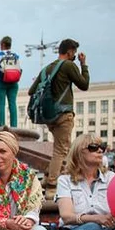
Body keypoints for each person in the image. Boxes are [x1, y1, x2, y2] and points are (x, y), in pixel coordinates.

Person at [28, 39, 90, 200]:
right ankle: (51, 185)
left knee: (61, 147)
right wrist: (84, 65)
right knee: (60, 150)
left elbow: (31, 91)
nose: (75, 56)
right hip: (63, 114)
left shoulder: (46, 69)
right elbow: (84, 84)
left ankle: (48, 177)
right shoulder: (68, 65)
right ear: (69, 52)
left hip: (49, 117)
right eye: (74, 53)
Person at [0, 36, 21, 127]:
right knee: (12, 103)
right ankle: (14, 125)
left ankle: (2, 125)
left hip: (1, 82)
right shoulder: (15, 55)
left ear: (3, 45)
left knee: (1, 104)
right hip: (14, 82)